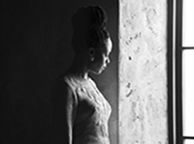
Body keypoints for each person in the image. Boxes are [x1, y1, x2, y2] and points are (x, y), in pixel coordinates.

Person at [50, 5, 113, 144]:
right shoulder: (66, 87)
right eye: (106, 55)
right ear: (91, 53)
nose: (108, 61)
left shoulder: (90, 83)